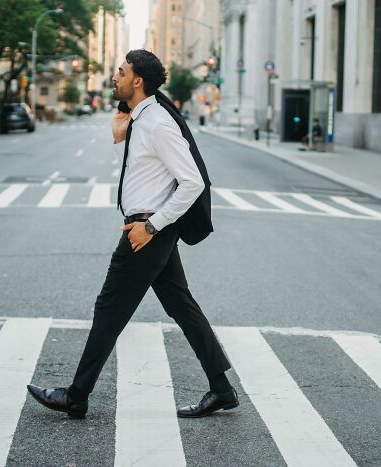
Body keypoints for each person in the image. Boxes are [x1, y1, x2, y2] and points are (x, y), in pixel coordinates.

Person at [26, 49, 238, 419]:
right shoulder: (144, 117)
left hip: (146, 231)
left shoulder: (157, 122)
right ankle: (221, 389)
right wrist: (123, 127)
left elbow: (193, 182)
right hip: (151, 229)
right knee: (181, 306)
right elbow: (148, 166)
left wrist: (152, 226)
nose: (114, 77)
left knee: (109, 309)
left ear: (137, 81)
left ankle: (76, 395)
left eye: (121, 72)